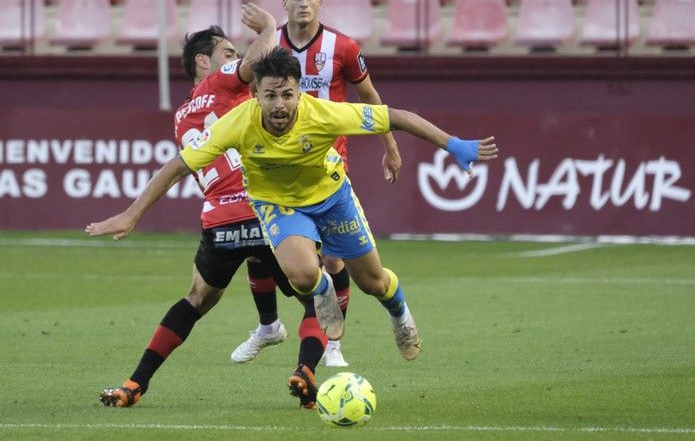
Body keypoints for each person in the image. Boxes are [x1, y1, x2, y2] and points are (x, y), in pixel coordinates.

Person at [86, 46, 498, 406]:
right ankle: (323, 296)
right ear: (254, 95)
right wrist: (132, 213)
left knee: (374, 282)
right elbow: (178, 165)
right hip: (278, 205)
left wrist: (453, 144)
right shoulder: (237, 122)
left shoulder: (323, 114)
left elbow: (397, 117)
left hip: (333, 199)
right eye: (270, 96)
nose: (280, 104)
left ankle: (400, 313)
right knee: (303, 276)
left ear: (299, 91)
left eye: (287, 94)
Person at [94, 8, 333, 410]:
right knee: (321, 293)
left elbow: (179, 167)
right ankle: (307, 370)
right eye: (228, 51)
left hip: (220, 222)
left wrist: (132, 213)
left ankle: (134, 384)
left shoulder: (182, 114)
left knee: (196, 299)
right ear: (204, 62)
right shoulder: (223, 82)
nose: (236, 57)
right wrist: (271, 28)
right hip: (265, 208)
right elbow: (260, 61)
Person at [231, 0, 402, 368]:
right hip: (273, 164)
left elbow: (370, 99)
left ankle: (333, 343)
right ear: (284, 3)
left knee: (333, 259)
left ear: (320, 2)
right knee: (262, 251)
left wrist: (389, 146)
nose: (304, 2)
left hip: (326, 162)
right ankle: (269, 325)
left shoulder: (342, 47)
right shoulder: (269, 51)